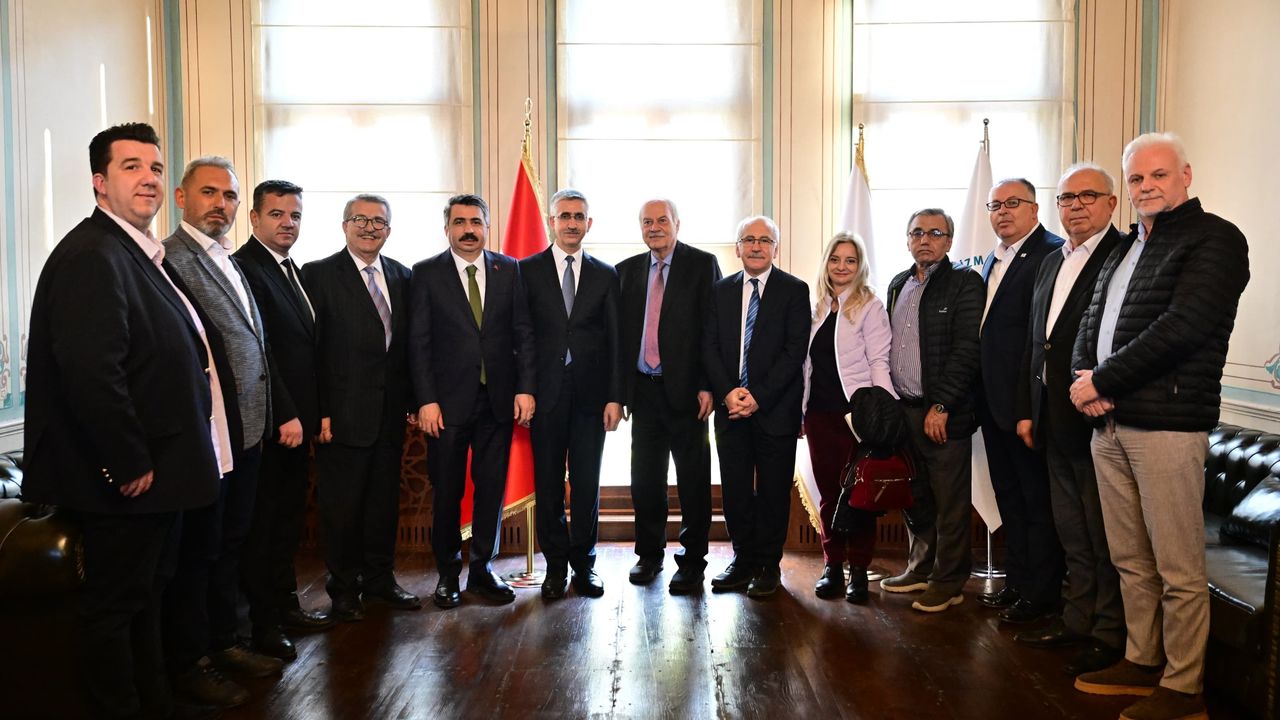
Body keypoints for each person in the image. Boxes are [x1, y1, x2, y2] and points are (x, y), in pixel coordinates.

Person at [23, 122, 221, 718]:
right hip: (127, 480)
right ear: (99, 182)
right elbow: (92, 373)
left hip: (162, 474)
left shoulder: (137, 252)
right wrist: (128, 462)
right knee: (115, 608)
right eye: (131, 166)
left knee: (147, 598)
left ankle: (153, 701)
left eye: (155, 168)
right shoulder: (93, 254)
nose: (148, 178)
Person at [1070, 133, 1249, 720]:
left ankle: (1184, 686)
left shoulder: (1216, 239)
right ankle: (1142, 659)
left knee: (1177, 567)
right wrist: (1083, 378)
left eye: (1159, 175)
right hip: (1109, 426)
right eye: (1137, 178)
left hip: (1169, 426)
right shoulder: (1126, 246)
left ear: (1186, 176)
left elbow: (1183, 327)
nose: (1146, 187)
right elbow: (1092, 319)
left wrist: (1102, 380)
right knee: (1130, 558)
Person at [161, 156, 282, 706]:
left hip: (247, 431)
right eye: (209, 192)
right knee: (200, 553)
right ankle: (194, 661)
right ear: (181, 198)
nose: (221, 204)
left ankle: (225, 642)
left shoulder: (225, 257)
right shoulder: (169, 258)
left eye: (230, 195)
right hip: (207, 437)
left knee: (231, 543)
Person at [1012, 163, 1125, 675]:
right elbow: (1036, 341)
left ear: (1111, 203)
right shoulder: (1051, 260)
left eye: (1087, 196)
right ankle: (1077, 618)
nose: (1076, 205)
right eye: (1067, 198)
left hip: (1097, 415)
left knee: (1103, 535)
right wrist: (1026, 410)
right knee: (1071, 530)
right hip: (1050, 415)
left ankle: (1108, 632)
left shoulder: (1122, 255)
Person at [410, 194, 536, 609]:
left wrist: (525, 387)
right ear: (447, 228)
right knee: (447, 491)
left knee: (491, 490)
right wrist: (426, 400)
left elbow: (523, 333)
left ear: (487, 226)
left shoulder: (509, 269)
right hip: (446, 407)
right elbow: (418, 342)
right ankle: (448, 574)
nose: (468, 230)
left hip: (497, 401)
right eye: (460, 222)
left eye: (476, 222)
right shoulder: (426, 273)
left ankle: (482, 569)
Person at [304, 194, 420, 621]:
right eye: (361, 220)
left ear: (389, 230)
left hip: (389, 415)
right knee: (342, 508)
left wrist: (412, 401)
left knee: (382, 505)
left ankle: (379, 580)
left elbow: (407, 347)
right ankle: (343, 588)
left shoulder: (402, 275)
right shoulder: (318, 275)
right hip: (340, 416)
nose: (370, 228)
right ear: (344, 225)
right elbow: (312, 350)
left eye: (379, 222)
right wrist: (320, 410)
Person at [233, 180, 334, 662]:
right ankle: (264, 624)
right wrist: (287, 414)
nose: (287, 223)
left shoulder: (290, 268)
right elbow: (261, 350)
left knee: (288, 523)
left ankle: (285, 605)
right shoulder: (246, 268)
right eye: (276, 214)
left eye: (294, 215)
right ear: (254, 218)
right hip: (275, 424)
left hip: (300, 425)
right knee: (266, 527)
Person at [519, 189, 623, 600]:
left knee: (586, 484)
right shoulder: (526, 270)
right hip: (544, 397)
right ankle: (555, 568)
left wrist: (615, 397)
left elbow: (615, 341)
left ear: (589, 224)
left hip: (591, 398)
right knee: (547, 485)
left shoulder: (605, 274)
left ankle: (584, 565)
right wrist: (524, 389)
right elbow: (521, 337)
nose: (572, 223)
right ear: (552, 221)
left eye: (579, 216)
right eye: (564, 216)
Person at [880, 209, 984, 613]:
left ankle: (949, 581)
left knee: (949, 502)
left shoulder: (964, 282)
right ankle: (920, 569)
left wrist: (942, 405)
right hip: (903, 411)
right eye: (917, 233)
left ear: (949, 241)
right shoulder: (897, 284)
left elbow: (967, 350)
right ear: (908, 240)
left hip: (942, 413)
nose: (925, 240)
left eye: (935, 233)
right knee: (916, 497)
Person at [617, 198, 723, 594]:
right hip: (643, 392)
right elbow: (620, 336)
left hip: (689, 393)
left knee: (693, 480)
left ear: (678, 223)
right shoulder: (626, 271)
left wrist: (708, 384)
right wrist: (620, 393)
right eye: (647, 222)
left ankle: (693, 561)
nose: (655, 227)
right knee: (645, 479)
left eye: (662, 220)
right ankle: (649, 554)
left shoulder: (702, 265)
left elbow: (713, 329)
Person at [703, 216, 810, 597]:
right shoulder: (720, 291)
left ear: (775, 248)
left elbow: (794, 351)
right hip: (730, 410)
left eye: (765, 240)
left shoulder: (794, 290)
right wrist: (728, 392)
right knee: (734, 491)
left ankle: (767, 565)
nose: (756, 246)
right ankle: (743, 559)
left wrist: (757, 396)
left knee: (773, 492)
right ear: (738, 248)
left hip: (774, 409)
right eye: (748, 239)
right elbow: (709, 346)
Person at [975, 178, 1065, 623]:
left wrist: (1028, 407)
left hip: (1025, 405)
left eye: (1013, 203)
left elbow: (1040, 338)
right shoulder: (992, 257)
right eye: (995, 205)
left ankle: (1041, 595)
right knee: (1010, 498)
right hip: (992, 404)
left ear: (1034, 208)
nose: (1003, 212)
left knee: (1036, 502)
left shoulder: (1052, 253)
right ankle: (1018, 582)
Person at [801, 232, 895, 603]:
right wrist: (800, 410)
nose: (842, 267)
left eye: (850, 260)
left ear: (860, 266)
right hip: (818, 417)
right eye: (835, 259)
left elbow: (879, 361)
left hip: (857, 419)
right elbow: (806, 366)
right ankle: (832, 565)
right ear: (826, 263)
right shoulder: (818, 308)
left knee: (859, 495)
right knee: (829, 494)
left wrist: (884, 415)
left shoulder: (870, 306)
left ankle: (858, 570)